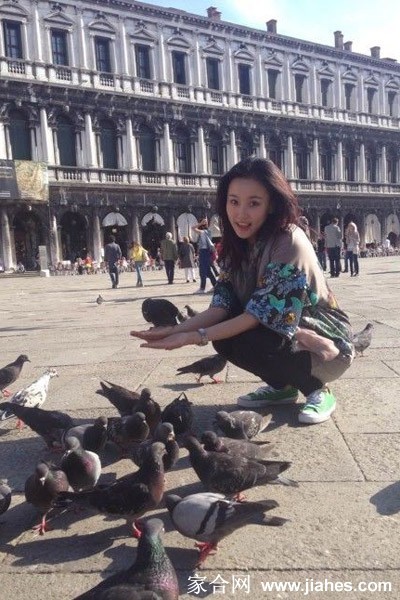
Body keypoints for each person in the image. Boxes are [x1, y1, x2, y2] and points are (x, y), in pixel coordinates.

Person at [131, 157, 354, 425]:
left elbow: (258, 317)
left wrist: (192, 337)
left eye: (254, 203)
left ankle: (317, 389)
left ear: (272, 205)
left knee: (253, 337)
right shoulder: (236, 244)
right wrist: (174, 330)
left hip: (326, 346)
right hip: (284, 332)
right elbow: (220, 308)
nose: (241, 214)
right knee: (224, 339)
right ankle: (283, 386)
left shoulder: (289, 241)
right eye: (234, 202)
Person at [192, 218, 217, 294]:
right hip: (207, 252)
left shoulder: (202, 232)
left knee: (202, 271)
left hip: (203, 252)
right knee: (208, 271)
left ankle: (202, 288)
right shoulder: (209, 232)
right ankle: (215, 286)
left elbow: (193, 228)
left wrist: (200, 223)